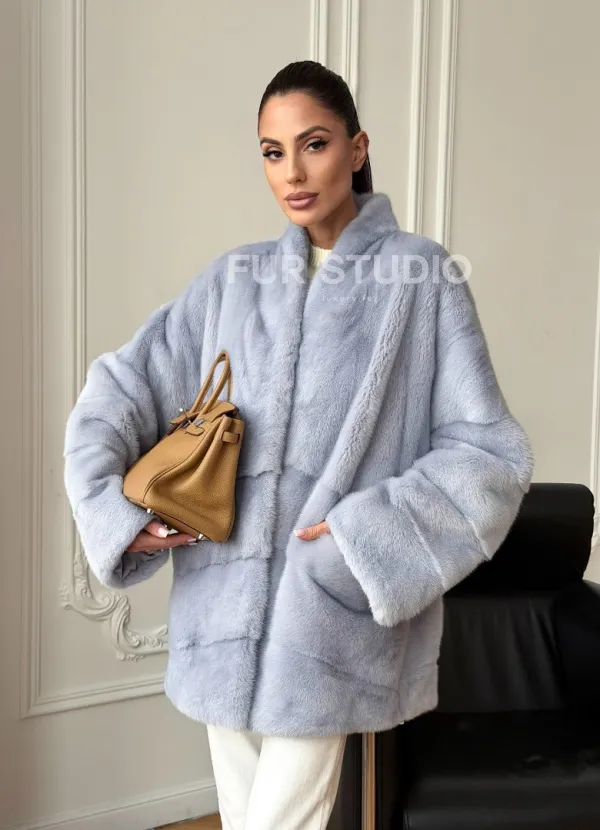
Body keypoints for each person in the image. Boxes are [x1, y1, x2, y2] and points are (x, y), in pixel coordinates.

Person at [63, 60, 534, 830]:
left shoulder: (421, 278)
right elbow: (120, 389)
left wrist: (359, 542)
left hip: (332, 605)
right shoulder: (232, 281)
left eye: (313, 144)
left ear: (357, 147)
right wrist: (116, 514)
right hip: (218, 600)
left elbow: (488, 455)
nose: (293, 172)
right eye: (273, 152)